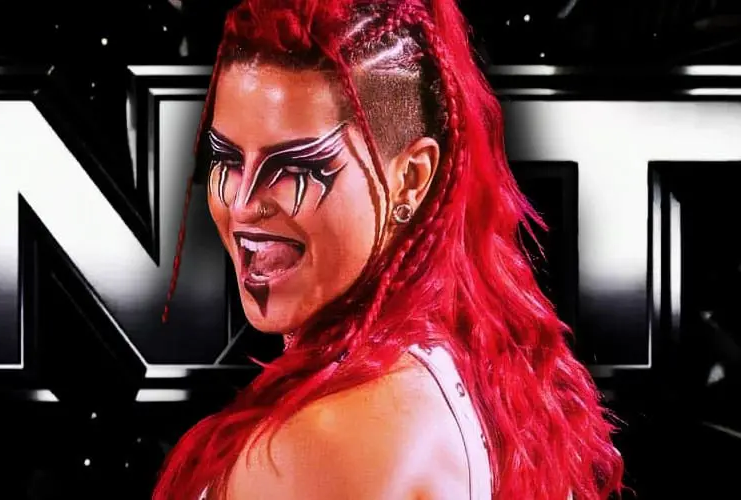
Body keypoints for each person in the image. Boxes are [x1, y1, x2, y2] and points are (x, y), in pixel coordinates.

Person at [154, 0, 625, 498]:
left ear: (412, 179)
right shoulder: (459, 359)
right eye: (227, 159)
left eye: (296, 166)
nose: (243, 204)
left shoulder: (324, 440)